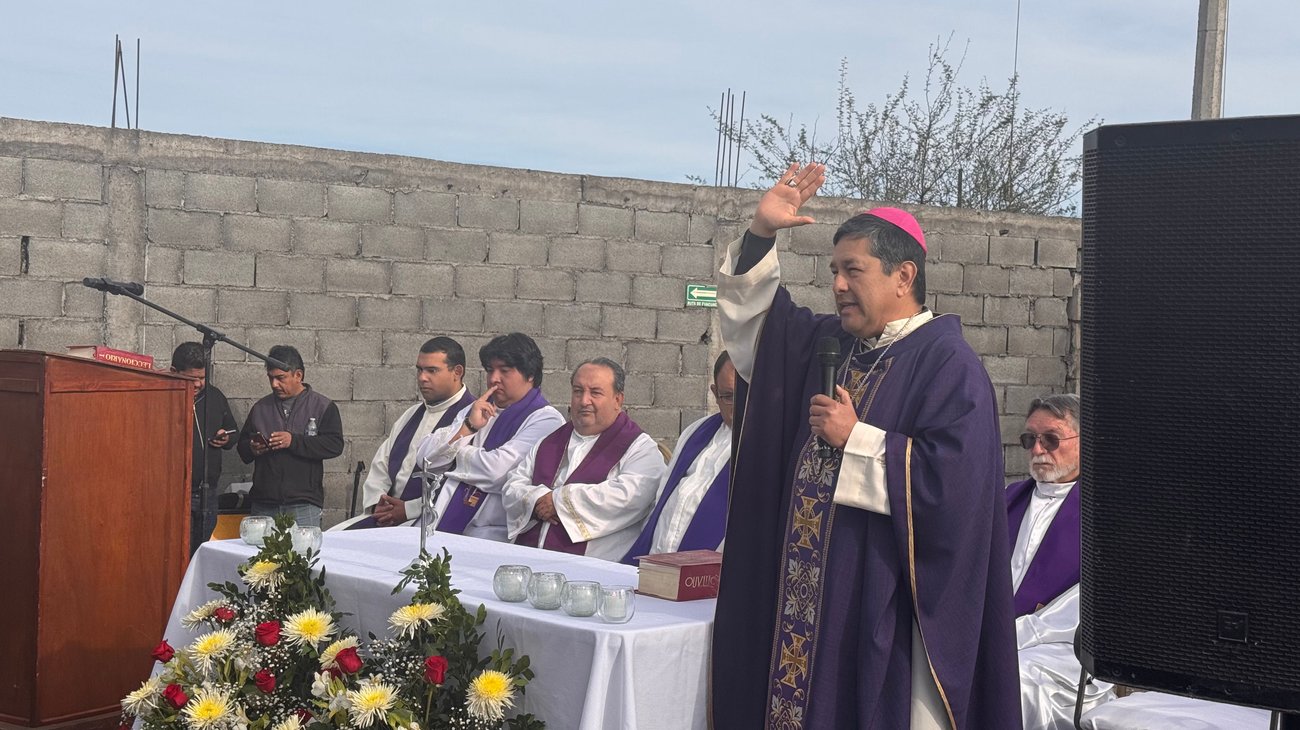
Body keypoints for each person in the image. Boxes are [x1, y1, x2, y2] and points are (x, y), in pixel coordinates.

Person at [711, 162, 1020, 729]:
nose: (837, 286)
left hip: (878, 605)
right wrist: (761, 232)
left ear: (904, 276)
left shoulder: (949, 364)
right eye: (833, 271)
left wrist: (859, 441)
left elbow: (956, 491)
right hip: (803, 604)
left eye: (853, 270)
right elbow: (756, 330)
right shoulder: (828, 343)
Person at [1007, 394, 1114, 728]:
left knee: (1018, 682)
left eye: (1051, 439)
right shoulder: (1005, 500)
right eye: (1030, 440)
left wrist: (1006, 636)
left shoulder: (1105, 516)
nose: (1038, 451)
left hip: (1065, 649)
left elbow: (1085, 609)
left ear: (1087, 440)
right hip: (993, 634)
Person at [502, 358, 666, 561]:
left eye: (595, 393)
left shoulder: (640, 448)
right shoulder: (549, 442)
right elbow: (512, 485)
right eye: (578, 391)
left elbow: (631, 496)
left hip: (596, 572)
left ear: (618, 399)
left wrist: (558, 501)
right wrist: (536, 500)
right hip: (528, 559)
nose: (584, 400)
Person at [414, 333, 565, 541]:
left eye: (504, 371)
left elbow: (497, 472)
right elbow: (425, 459)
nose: (494, 378)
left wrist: (451, 457)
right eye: (490, 370)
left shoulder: (546, 420)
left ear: (530, 375)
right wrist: (468, 427)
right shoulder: (476, 409)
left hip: (492, 533)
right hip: (437, 520)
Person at [334, 337, 476, 530]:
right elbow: (381, 465)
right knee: (333, 539)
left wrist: (408, 509)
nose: (422, 378)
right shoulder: (411, 415)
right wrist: (379, 503)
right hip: (387, 516)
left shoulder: (473, 419)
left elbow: (465, 483)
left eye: (432, 370)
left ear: (457, 372)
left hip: (430, 522)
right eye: (419, 369)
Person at [620, 351, 736, 563]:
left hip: (714, 576)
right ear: (715, 393)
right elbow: (663, 497)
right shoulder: (696, 431)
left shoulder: (767, 446)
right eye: (729, 396)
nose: (740, 404)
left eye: (747, 393)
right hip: (658, 562)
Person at [236, 345, 344, 527]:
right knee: (261, 556)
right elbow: (242, 449)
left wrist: (293, 441)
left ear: (298, 375)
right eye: (271, 378)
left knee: (301, 555)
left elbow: (334, 445)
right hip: (264, 503)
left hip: (303, 504)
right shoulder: (261, 408)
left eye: (280, 378)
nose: (274, 384)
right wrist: (252, 448)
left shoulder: (323, 406)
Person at [170, 341, 238, 555]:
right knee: (177, 554)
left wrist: (225, 438)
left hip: (207, 492)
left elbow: (233, 431)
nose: (199, 383)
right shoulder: (164, 397)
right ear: (175, 372)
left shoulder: (215, 397)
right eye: (192, 378)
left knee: (200, 552)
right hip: (175, 493)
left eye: (202, 378)